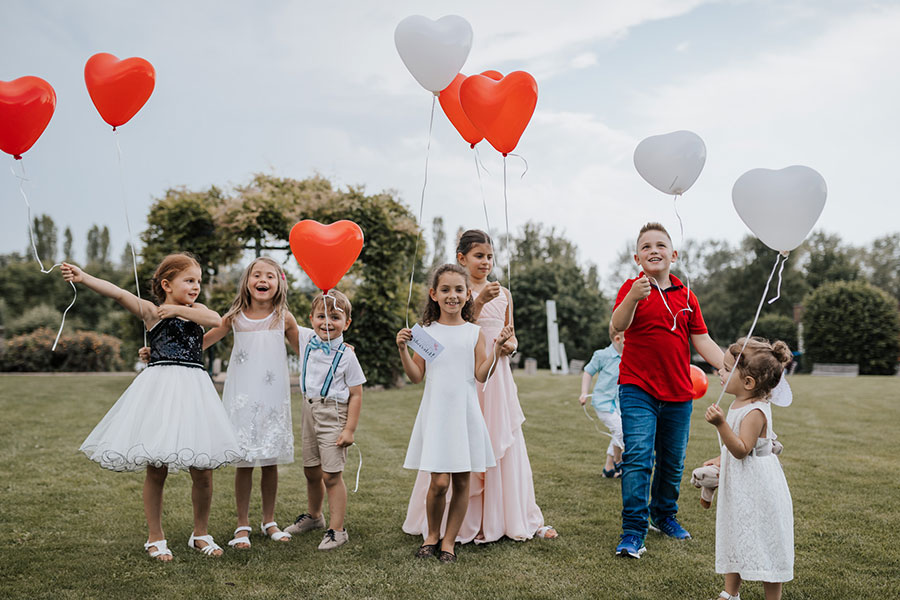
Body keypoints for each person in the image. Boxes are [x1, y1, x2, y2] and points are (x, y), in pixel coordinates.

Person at [61, 254, 243, 561]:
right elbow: (118, 293)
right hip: (161, 392)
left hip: (195, 393)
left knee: (203, 469)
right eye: (189, 280)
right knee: (156, 466)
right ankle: (155, 537)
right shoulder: (152, 311)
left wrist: (177, 310)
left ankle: (201, 533)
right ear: (166, 284)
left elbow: (217, 321)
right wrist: (84, 277)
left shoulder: (197, 310)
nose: (196, 286)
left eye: (198, 281)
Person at [403, 230, 556, 544]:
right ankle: (446, 525)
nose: (485, 262)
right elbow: (458, 329)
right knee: (457, 446)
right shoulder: (456, 290)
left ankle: (504, 516)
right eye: (478, 256)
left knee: (500, 442)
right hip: (460, 379)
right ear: (462, 258)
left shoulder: (505, 293)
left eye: (489, 256)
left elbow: (509, 334)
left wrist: (508, 345)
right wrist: (480, 302)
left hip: (493, 375)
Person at [610, 222, 724, 559]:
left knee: (672, 462)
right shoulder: (632, 289)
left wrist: (724, 365)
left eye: (660, 245)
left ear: (673, 255)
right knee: (638, 458)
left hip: (678, 392)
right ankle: (633, 529)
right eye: (646, 247)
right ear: (637, 257)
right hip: (637, 388)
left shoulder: (687, 296)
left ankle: (664, 516)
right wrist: (632, 296)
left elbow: (701, 338)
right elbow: (618, 325)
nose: (653, 250)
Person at [396, 264, 513, 562]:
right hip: (437, 414)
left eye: (459, 290)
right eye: (445, 290)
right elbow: (416, 376)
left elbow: (480, 375)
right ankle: (431, 535)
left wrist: (498, 351)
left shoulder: (474, 333)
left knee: (462, 481)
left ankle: (448, 541)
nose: (453, 295)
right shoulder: (425, 333)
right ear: (434, 294)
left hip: (465, 413)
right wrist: (402, 350)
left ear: (467, 295)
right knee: (439, 482)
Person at [202, 257, 301, 549]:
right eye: (257, 275)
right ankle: (242, 525)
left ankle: (269, 521)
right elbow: (204, 341)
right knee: (244, 463)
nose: (263, 280)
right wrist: (162, 350)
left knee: (270, 462)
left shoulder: (285, 317)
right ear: (247, 282)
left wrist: (337, 346)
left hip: (273, 401)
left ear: (279, 282)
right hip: (243, 398)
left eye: (270, 275)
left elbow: (307, 350)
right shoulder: (235, 316)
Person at [704, 338, 794, 600]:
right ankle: (730, 593)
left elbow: (743, 448)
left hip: (759, 486)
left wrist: (721, 424)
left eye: (726, 368)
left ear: (748, 383)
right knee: (737, 531)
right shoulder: (740, 402)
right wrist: (720, 461)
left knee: (766, 537)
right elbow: (736, 451)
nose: (719, 371)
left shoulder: (755, 411)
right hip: (743, 483)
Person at [283, 289, 365, 551]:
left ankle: (337, 530)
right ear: (311, 318)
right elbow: (285, 317)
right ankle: (315, 517)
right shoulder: (307, 339)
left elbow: (356, 394)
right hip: (309, 409)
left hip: (334, 413)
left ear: (347, 323)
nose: (327, 322)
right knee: (311, 469)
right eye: (321, 316)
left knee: (331, 474)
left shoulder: (347, 355)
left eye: (335, 317)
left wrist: (349, 429)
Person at [580, 323, 625, 478]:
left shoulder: (629, 356)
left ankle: (608, 468)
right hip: (603, 403)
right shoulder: (602, 355)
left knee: (617, 432)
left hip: (620, 403)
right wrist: (584, 393)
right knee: (619, 430)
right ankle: (619, 462)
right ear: (618, 339)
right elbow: (588, 372)